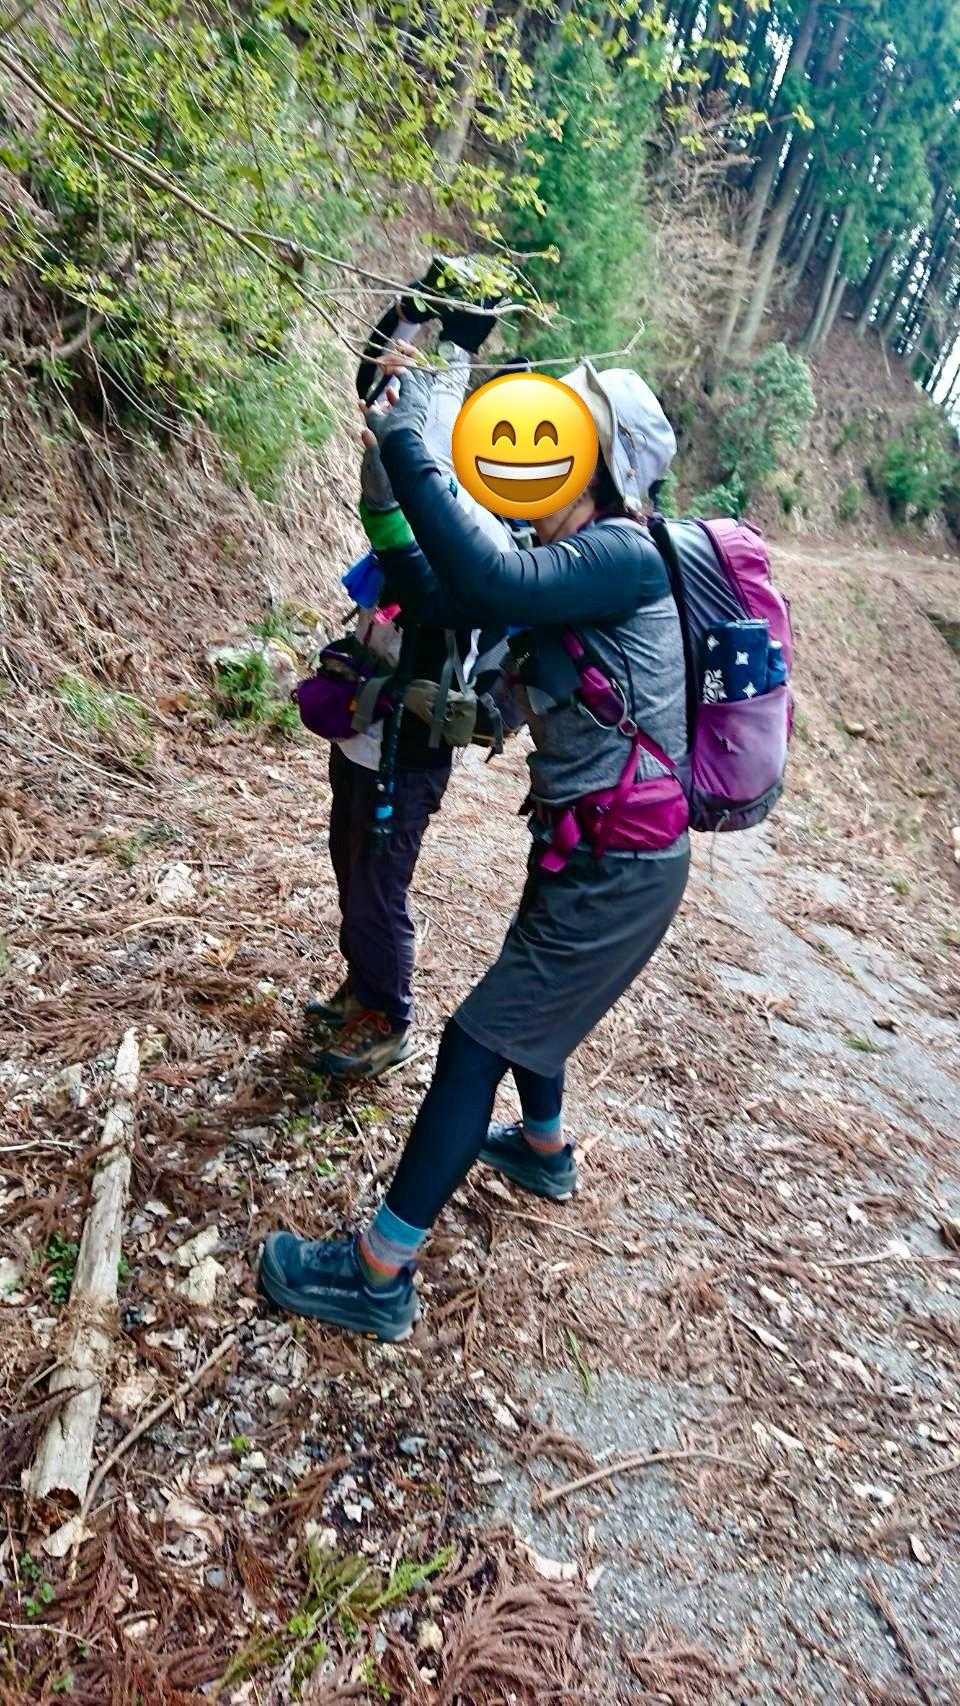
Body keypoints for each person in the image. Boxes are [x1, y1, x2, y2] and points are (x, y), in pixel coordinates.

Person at [261, 354, 689, 1338]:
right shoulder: (566, 569)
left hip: (618, 870)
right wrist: (385, 478)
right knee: (525, 1006)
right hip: (588, 854)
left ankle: (377, 1273)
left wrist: (412, 431)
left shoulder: (622, 556)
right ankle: (542, 1149)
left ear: (597, 464)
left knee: (473, 1042)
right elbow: (441, 589)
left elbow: (486, 574)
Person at [306, 272, 516, 1079]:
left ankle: (387, 1018)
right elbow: (379, 391)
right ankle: (362, 988)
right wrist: (411, 315)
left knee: (379, 882)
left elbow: (412, 432)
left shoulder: (473, 524)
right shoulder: (436, 484)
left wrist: (451, 346)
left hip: (413, 737)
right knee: (349, 860)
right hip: (369, 716)